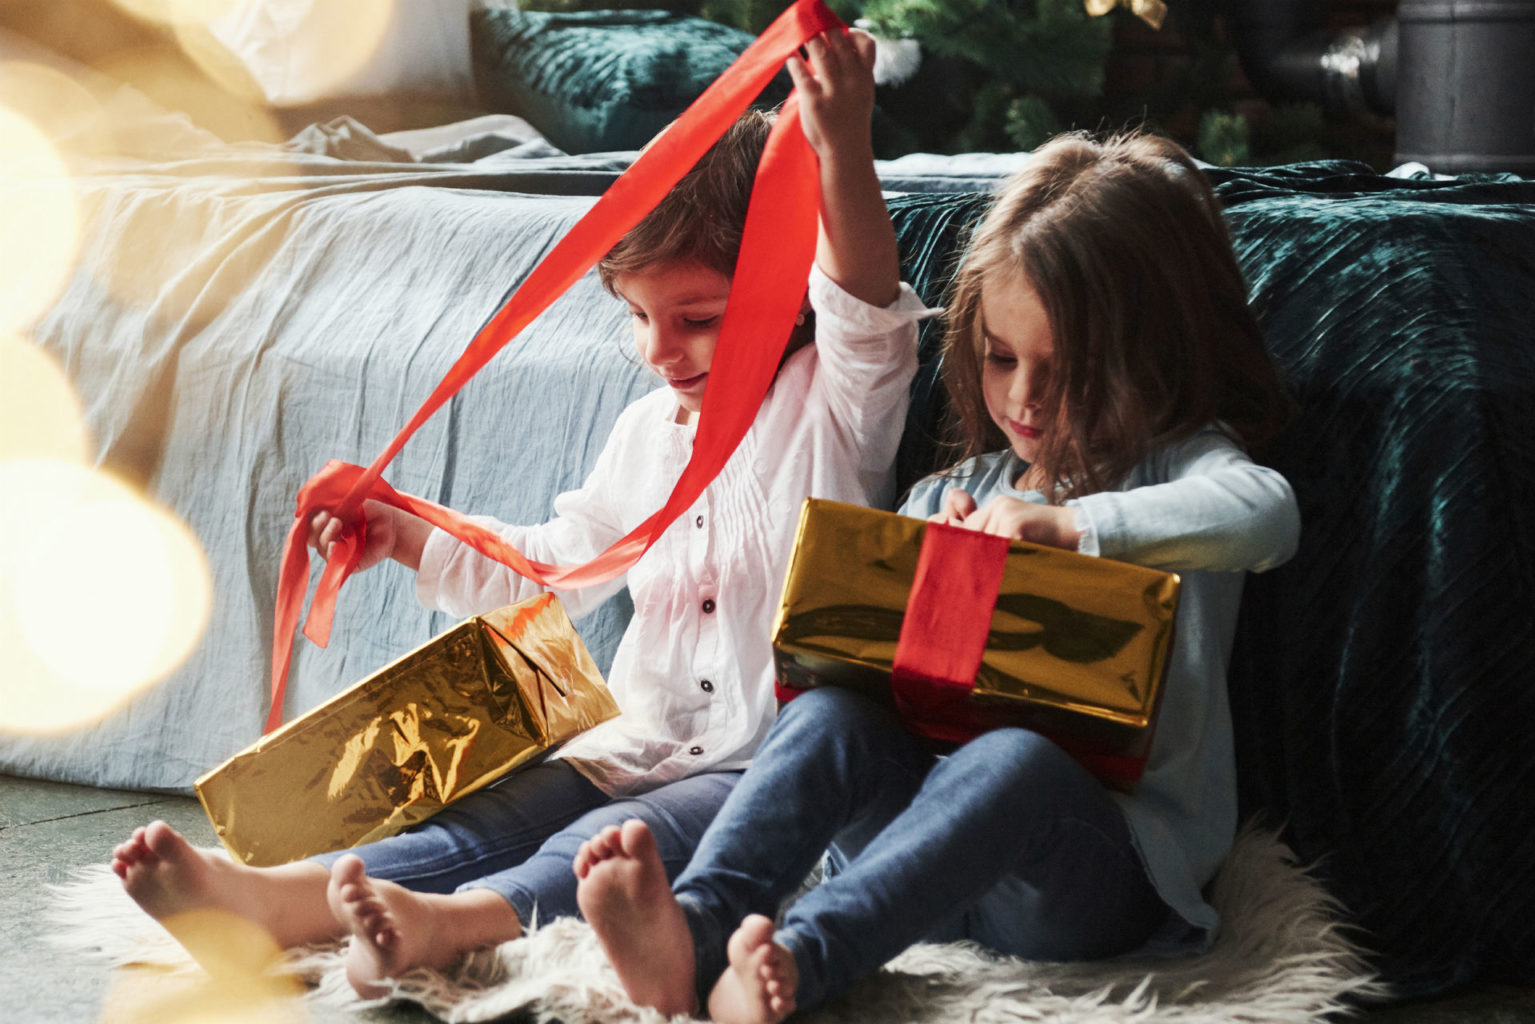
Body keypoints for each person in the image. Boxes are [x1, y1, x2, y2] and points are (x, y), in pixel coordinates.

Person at [110, 27, 934, 997]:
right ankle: (274, 902)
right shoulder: (647, 432)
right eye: (637, 316)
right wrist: (406, 533)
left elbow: (862, 290)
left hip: (759, 767)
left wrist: (841, 139)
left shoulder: (837, 398)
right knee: (496, 809)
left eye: (696, 318)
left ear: (779, 286)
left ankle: (442, 928)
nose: (660, 350)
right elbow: (558, 567)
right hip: (636, 741)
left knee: (603, 845)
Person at [573, 129, 1302, 1024]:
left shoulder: (1182, 472)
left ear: (1150, 351)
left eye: (1064, 371)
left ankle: (802, 960)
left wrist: (1075, 529)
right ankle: (693, 930)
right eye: (1002, 359)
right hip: (920, 862)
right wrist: (931, 560)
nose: (1025, 400)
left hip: (1091, 879)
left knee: (1014, 760)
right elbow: (866, 667)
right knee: (830, 716)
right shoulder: (959, 489)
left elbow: (1267, 515)